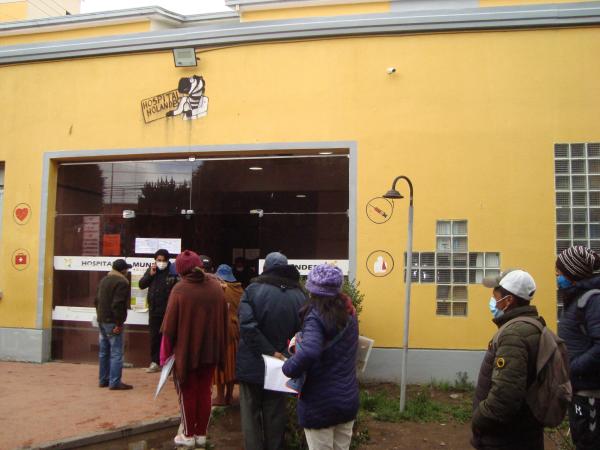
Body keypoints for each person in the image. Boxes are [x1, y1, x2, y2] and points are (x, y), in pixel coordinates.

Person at [282, 264, 359, 450]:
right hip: (347, 398)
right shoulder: (350, 314)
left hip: (319, 402)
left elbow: (310, 351)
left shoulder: (315, 316)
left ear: (312, 289)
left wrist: (288, 367)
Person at [236, 251, 307, 450]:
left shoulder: (252, 290)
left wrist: (268, 350)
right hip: (282, 365)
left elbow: (247, 326)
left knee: (250, 415)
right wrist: (282, 352)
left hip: (252, 364)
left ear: (265, 268)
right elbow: (303, 331)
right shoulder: (300, 295)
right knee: (275, 413)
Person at [160, 250, 228, 448]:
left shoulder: (180, 289)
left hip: (186, 353)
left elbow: (168, 328)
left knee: (188, 393)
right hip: (211, 350)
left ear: (181, 271)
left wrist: (164, 357)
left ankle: (188, 435)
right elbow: (223, 320)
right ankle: (201, 434)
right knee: (205, 392)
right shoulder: (216, 288)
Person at [471, 269, 544, 450]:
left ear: (508, 300)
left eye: (495, 297)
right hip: (523, 433)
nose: (493, 302)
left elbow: (505, 397)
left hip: (506, 438)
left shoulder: (514, 335)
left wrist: (479, 418)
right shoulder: (531, 325)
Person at [556, 246, 600, 450]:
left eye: (559, 272)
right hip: (580, 390)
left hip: (591, 393)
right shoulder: (577, 300)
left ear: (572, 272)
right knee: (582, 440)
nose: (557, 276)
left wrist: (572, 367)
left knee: (590, 442)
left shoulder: (592, 300)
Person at [94, 258, 133, 390]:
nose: (127, 271)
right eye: (126, 269)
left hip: (101, 320)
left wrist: (100, 316)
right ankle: (115, 382)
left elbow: (96, 300)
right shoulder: (122, 282)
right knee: (116, 352)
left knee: (104, 351)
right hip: (112, 321)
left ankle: (103, 380)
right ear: (123, 270)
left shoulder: (104, 279)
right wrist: (119, 323)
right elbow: (118, 304)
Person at [138, 248, 178, 373]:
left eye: (163, 260)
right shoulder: (152, 271)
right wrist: (150, 274)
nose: (161, 262)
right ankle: (155, 362)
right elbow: (141, 284)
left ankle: (169, 364)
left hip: (168, 312)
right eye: (158, 260)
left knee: (169, 337)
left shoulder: (173, 272)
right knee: (155, 337)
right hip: (154, 311)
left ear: (167, 260)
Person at [213, 264, 244, 406]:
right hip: (236, 330)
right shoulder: (240, 290)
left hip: (221, 332)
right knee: (232, 364)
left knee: (221, 365)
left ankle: (220, 397)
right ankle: (229, 395)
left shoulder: (219, 290)